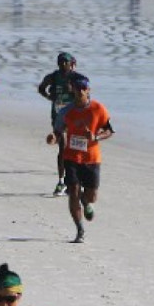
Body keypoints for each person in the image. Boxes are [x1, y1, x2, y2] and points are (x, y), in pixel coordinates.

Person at [59, 74, 114, 244]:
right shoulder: (66, 110)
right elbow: (58, 130)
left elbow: (109, 131)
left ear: (88, 90)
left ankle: (86, 200)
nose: (81, 91)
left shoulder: (99, 109)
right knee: (73, 192)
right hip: (72, 157)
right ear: (74, 90)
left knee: (92, 196)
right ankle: (80, 230)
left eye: (84, 88)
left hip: (92, 158)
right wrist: (53, 137)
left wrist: (96, 137)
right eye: (78, 88)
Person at [37, 52, 77, 197]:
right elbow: (41, 88)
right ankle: (61, 182)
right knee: (63, 147)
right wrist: (49, 97)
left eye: (65, 62)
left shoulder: (76, 78)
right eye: (60, 62)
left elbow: (86, 94)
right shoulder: (53, 77)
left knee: (73, 148)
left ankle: (72, 181)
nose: (62, 65)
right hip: (59, 117)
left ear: (71, 64)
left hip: (74, 117)